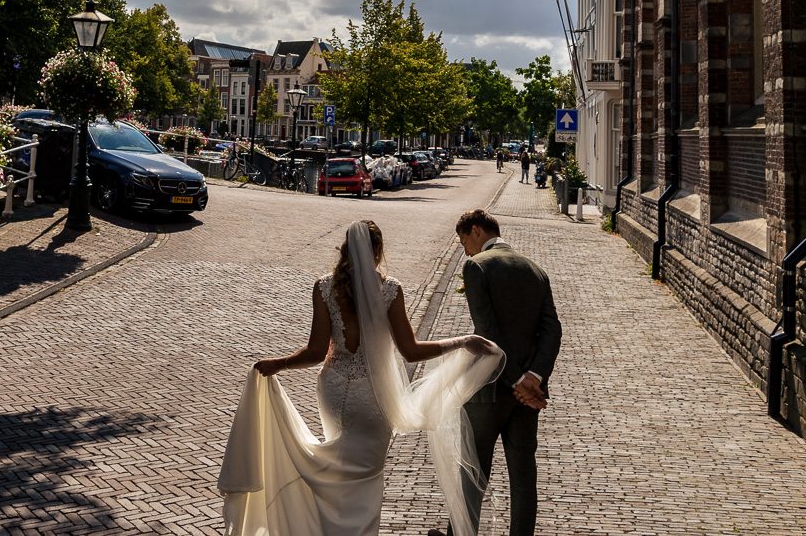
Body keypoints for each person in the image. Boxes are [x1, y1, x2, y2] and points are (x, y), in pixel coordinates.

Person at [220, 220, 504, 536]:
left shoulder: (325, 288)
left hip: (333, 388)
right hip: (373, 396)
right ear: (378, 251)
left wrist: (279, 364)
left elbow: (315, 352)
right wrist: (461, 341)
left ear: (346, 250)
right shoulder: (390, 290)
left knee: (336, 472)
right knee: (365, 479)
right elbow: (410, 351)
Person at [430, 209, 562, 536]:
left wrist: (516, 379)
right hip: (526, 398)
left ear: (476, 231)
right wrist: (534, 378)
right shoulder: (537, 271)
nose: (465, 251)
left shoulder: (477, 268)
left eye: (464, 242)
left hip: (488, 390)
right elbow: (552, 332)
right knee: (523, 478)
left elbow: (488, 332)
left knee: (473, 474)